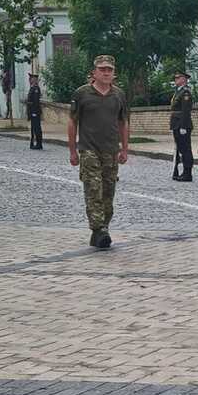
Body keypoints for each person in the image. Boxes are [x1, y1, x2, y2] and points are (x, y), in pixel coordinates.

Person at [68, 55, 129, 249]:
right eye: (102, 69)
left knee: (108, 192)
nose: (106, 72)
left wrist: (125, 149)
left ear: (114, 73)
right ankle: (98, 229)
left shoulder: (118, 95)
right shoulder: (82, 94)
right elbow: (72, 122)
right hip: (89, 149)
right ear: (94, 72)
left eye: (109, 70)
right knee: (94, 189)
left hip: (110, 151)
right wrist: (73, 151)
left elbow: (123, 123)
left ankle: (102, 228)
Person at [170, 70, 194, 182]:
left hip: (182, 124)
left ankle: (187, 173)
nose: (176, 79)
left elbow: (185, 111)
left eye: (178, 77)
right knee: (180, 148)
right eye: (175, 78)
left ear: (184, 79)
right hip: (176, 124)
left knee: (185, 149)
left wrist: (183, 126)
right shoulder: (178, 92)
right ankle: (181, 171)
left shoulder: (185, 93)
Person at [27, 73, 44, 150]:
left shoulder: (36, 88)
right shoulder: (32, 88)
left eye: (31, 79)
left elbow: (36, 102)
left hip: (35, 111)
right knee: (34, 128)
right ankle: (35, 143)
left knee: (37, 128)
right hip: (32, 111)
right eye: (30, 79)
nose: (30, 80)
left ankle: (39, 144)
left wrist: (34, 112)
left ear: (35, 80)